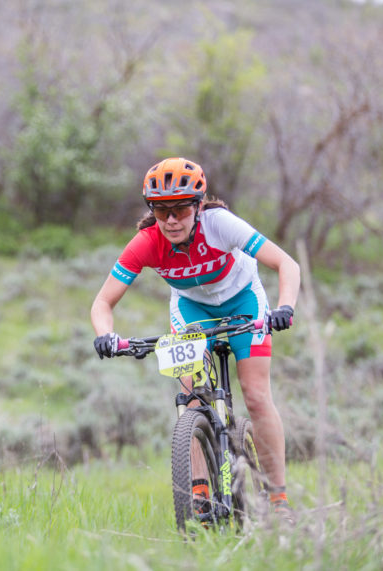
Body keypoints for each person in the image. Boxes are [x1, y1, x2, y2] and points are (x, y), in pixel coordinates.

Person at [89, 156, 300, 523]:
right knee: (191, 398)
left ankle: (279, 499)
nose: (171, 220)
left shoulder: (220, 225)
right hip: (192, 310)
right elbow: (102, 303)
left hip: (244, 301)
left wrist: (285, 308)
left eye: (181, 209)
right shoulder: (146, 242)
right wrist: (106, 336)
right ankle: (199, 494)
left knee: (255, 394)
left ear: (198, 206)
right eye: (161, 210)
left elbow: (287, 265)